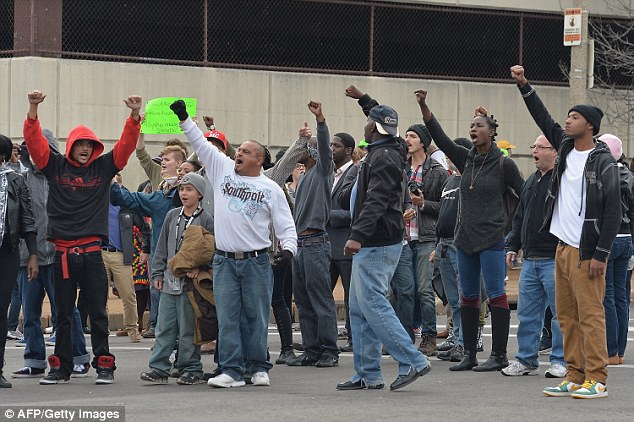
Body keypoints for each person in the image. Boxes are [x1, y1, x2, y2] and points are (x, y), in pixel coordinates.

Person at [511, 65, 620, 399]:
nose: (567, 121)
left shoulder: (603, 162)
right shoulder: (567, 149)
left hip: (587, 251)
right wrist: (524, 85)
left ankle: (597, 379)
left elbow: (613, 211)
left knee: (590, 317)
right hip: (562, 247)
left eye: (574, 117)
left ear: (589, 126)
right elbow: (542, 116)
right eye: (567, 118)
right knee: (567, 317)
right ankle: (574, 375)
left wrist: (601, 253)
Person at [171, 99, 297, 388]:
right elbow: (201, 145)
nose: (238, 153)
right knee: (228, 318)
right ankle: (230, 371)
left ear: (259, 160)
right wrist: (184, 119)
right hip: (224, 261)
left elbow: (285, 224)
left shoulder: (271, 189)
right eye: (238, 150)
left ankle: (258, 368)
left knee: (255, 317)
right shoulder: (222, 168)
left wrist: (289, 249)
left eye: (246, 151)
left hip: (257, 261)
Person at [23, 89, 142, 384]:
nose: (86, 149)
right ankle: (60, 368)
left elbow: (126, 147)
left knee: (98, 314)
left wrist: (135, 116)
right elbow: (36, 144)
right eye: (81, 144)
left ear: (95, 148)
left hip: (91, 254)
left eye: (90, 144)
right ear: (72, 146)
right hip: (63, 254)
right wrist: (33, 109)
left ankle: (104, 366)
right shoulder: (55, 166)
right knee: (63, 316)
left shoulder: (103, 169)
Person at [414, 90, 524, 372]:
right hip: (464, 240)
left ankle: (499, 354)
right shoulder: (466, 159)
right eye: (471, 126)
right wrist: (424, 105)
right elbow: (439, 137)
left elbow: (525, 197)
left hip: (491, 239)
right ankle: (469, 353)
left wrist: (514, 236)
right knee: (467, 296)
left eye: (479, 125)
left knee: (497, 294)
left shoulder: (504, 164)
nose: (473, 129)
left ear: (492, 132)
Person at [336, 103, 431, 392]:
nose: (364, 124)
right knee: (359, 308)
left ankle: (412, 360)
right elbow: (381, 112)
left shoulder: (385, 156)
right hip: (375, 240)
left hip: (375, 241)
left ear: (374, 128)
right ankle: (368, 374)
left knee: (373, 303)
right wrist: (363, 97)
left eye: (368, 120)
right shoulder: (386, 150)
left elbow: (377, 199)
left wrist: (358, 235)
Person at [11, 132, 91, 380]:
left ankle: (78, 358)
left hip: (59, 256)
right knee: (31, 313)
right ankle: (34, 360)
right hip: (28, 258)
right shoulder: (20, 179)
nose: (35, 152)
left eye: (41, 147)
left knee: (65, 312)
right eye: (31, 148)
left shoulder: (62, 177)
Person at [502, 135, 566, 378]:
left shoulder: (561, 181)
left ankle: (560, 360)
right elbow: (520, 218)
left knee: (560, 314)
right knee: (528, 313)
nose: (534, 151)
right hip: (530, 260)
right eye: (534, 147)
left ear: (555, 152)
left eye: (540, 147)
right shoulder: (530, 181)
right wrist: (512, 246)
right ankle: (526, 359)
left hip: (554, 257)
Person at [140, 172, 214, 385]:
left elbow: (210, 249)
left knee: (188, 328)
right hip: (169, 282)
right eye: (182, 189)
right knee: (164, 326)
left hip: (191, 286)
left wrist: (200, 268)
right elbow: (161, 246)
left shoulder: (206, 219)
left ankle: (191, 368)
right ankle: (159, 367)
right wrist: (157, 273)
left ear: (200, 194)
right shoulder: (172, 216)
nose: (184, 193)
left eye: (189, 189)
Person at [285, 102, 338, 368]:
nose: (301, 151)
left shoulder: (322, 171)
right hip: (300, 245)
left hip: (316, 242)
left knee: (320, 299)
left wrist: (320, 120)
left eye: (306, 148)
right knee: (303, 302)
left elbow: (326, 149)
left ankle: (329, 350)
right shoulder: (303, 178)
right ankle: (312, 349)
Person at [0, 134, 38, 388]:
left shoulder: (15, 181)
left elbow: (26, 219)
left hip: (6, 252)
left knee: (1, 310)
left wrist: (33, 254)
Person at [434, 137, 474, 363]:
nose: (449, 157)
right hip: (443, 245)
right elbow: (443, 214)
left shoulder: (470, 181)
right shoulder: (449, 182)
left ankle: (464, 343)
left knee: (463, 296)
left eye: (453, 153)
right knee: (452, 299)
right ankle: (456, 337)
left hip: (460, 245)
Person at [597, 134, 633, 366]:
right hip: (627, 238)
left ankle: (609, 350)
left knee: (607, 295)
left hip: (609, 238)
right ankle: (618, 350)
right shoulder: (629, 176)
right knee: (621, 295)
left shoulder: (604, 173)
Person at [104, 174, 151, 343]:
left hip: (121, 254)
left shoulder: (127, 203)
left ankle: (133, 328)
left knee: (129, 294)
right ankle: (101, 330)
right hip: (99, 252)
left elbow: (145, 228)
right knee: (98, 295)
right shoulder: (97, 198)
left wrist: (146, 249)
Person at [327, 132, 357, 353]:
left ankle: (354, 337)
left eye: (336, 146)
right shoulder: (327, 174)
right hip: (325, 244)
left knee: (350, 296)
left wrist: (327, 215)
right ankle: (325, 336)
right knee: (321, 292)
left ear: (348, 150)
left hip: (345, 242)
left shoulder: (356, 172)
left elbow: (356, 211)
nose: (331, 149)